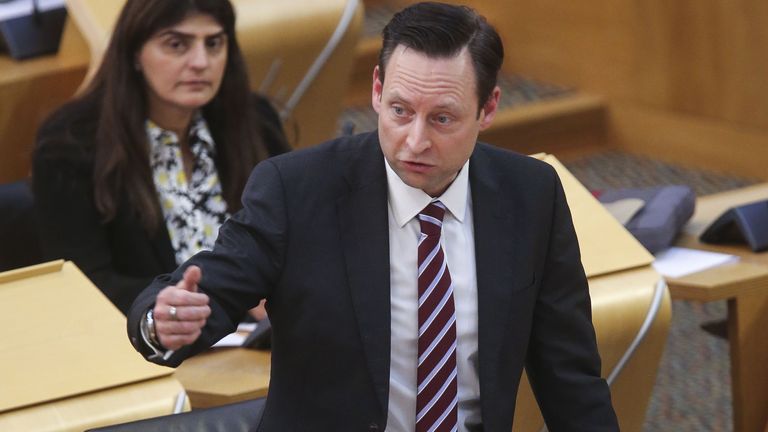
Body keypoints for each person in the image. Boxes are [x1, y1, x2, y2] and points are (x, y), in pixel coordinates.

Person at [128, 2, 619, 430]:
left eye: (442, 118)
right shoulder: (298, 189)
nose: (415, 141)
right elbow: (214, 284)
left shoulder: (530, 194)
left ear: (488, 108)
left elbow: (569, 376)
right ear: (377, 89)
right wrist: (162, 320)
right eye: (401, 110)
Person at [32, 0, 288, 314]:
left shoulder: (255, 121)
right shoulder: (70, 145)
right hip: (144, 344)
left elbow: (294, 241)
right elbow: (84, 285)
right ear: (135, 53)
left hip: (258, 340)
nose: (200, 61)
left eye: (214, 43)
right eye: (177, 44)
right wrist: (216, 297)